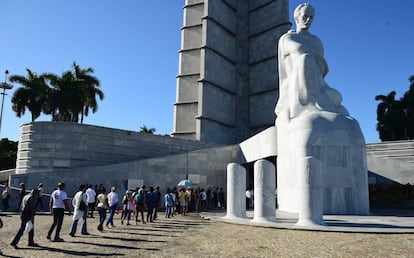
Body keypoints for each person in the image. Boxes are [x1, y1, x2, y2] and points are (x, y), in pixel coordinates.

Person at [275, 3, 348, 123]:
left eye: (311, 17)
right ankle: (307, 105)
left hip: (318, 84)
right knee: (305, 58)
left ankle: (319, 103)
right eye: (305, 16)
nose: (308, 20)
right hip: (296, 86)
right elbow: (298, 50)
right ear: (297, 17)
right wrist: (311, 55)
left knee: (338, 99)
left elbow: (322, 67)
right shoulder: (288, 38)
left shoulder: (316, 41)